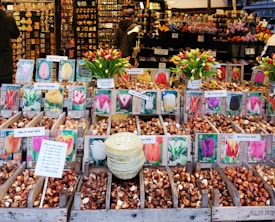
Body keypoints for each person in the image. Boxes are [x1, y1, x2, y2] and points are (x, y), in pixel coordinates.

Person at [0, 0, 20, 84]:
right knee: (7, 95)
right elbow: (16, 34)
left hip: (5, 65)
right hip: (4, 67)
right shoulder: (8, 18)